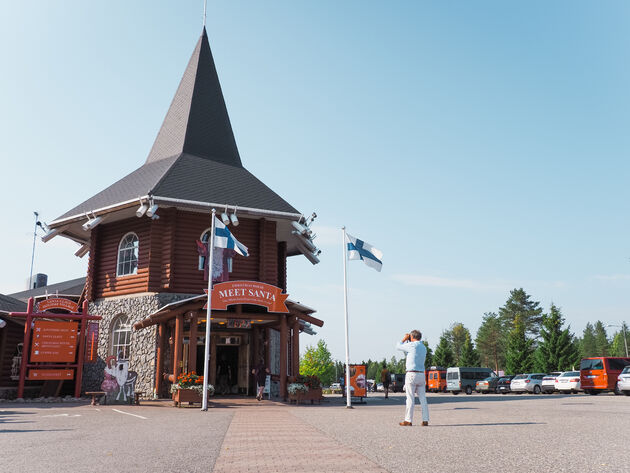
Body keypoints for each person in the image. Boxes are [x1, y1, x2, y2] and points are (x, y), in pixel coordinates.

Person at [396, 330, 429, 427]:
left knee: (410, 398)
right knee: (423, 398)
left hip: (411, 374)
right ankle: (425, 419)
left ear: (412, 337)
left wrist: (404, 339)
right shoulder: (423, 347)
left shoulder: (412, 345)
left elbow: (398, 346)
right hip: (421, 374)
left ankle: (408, 420)